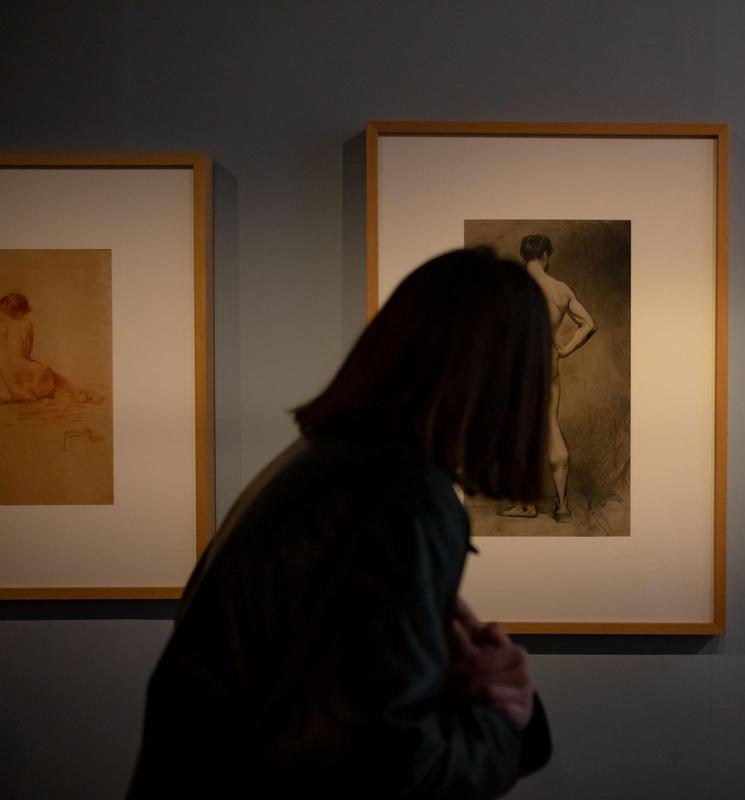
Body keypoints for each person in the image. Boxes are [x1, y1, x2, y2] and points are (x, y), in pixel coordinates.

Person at [128, 248, 553, 798]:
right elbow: (382, 762)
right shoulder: (401, 498)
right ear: (511, 380)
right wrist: (501, 726)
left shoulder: (323, 466)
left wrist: (469, 683)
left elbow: (341, 699)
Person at [500, 234, 596, 523]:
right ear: (545, 256)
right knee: (550, 426)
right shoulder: (560, 289)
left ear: (525, 256)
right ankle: (562, 507)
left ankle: (525, 505)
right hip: (547, 359)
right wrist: (564, 349)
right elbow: (589, 324)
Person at [0, 292, 98, 404]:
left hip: (11, 382)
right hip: (39, 375)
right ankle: (75, 390)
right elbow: (25, 356)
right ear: (20, 311)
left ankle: (30, 394)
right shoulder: (26, 324)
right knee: (42, 370)